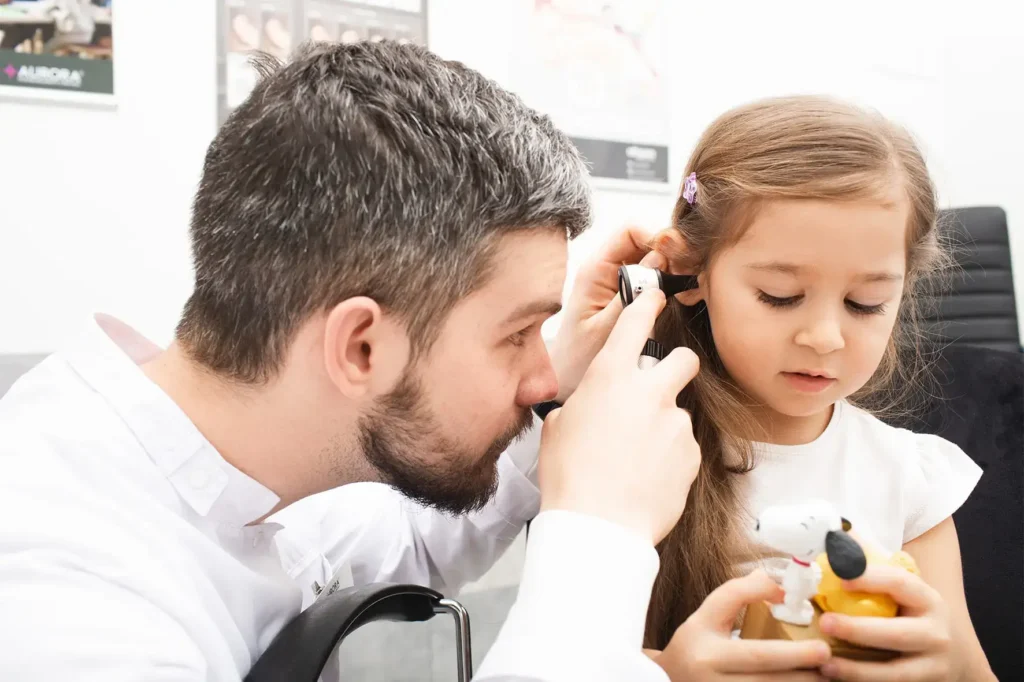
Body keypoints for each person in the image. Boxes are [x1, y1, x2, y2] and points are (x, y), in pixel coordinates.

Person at [0, 41, 832, 682]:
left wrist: (569, 374)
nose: (542, 382)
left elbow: (403, 532)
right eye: (515, 336)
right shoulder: (66, 599)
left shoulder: (238, 444)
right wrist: (600, 538)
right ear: (360, 346)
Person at [638, 96, 997, 681]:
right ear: (691, 271)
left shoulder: (911, 476)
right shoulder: (634, 450)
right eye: (780, 295)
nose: (826, 337)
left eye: (866, 303)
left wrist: (943, 666)